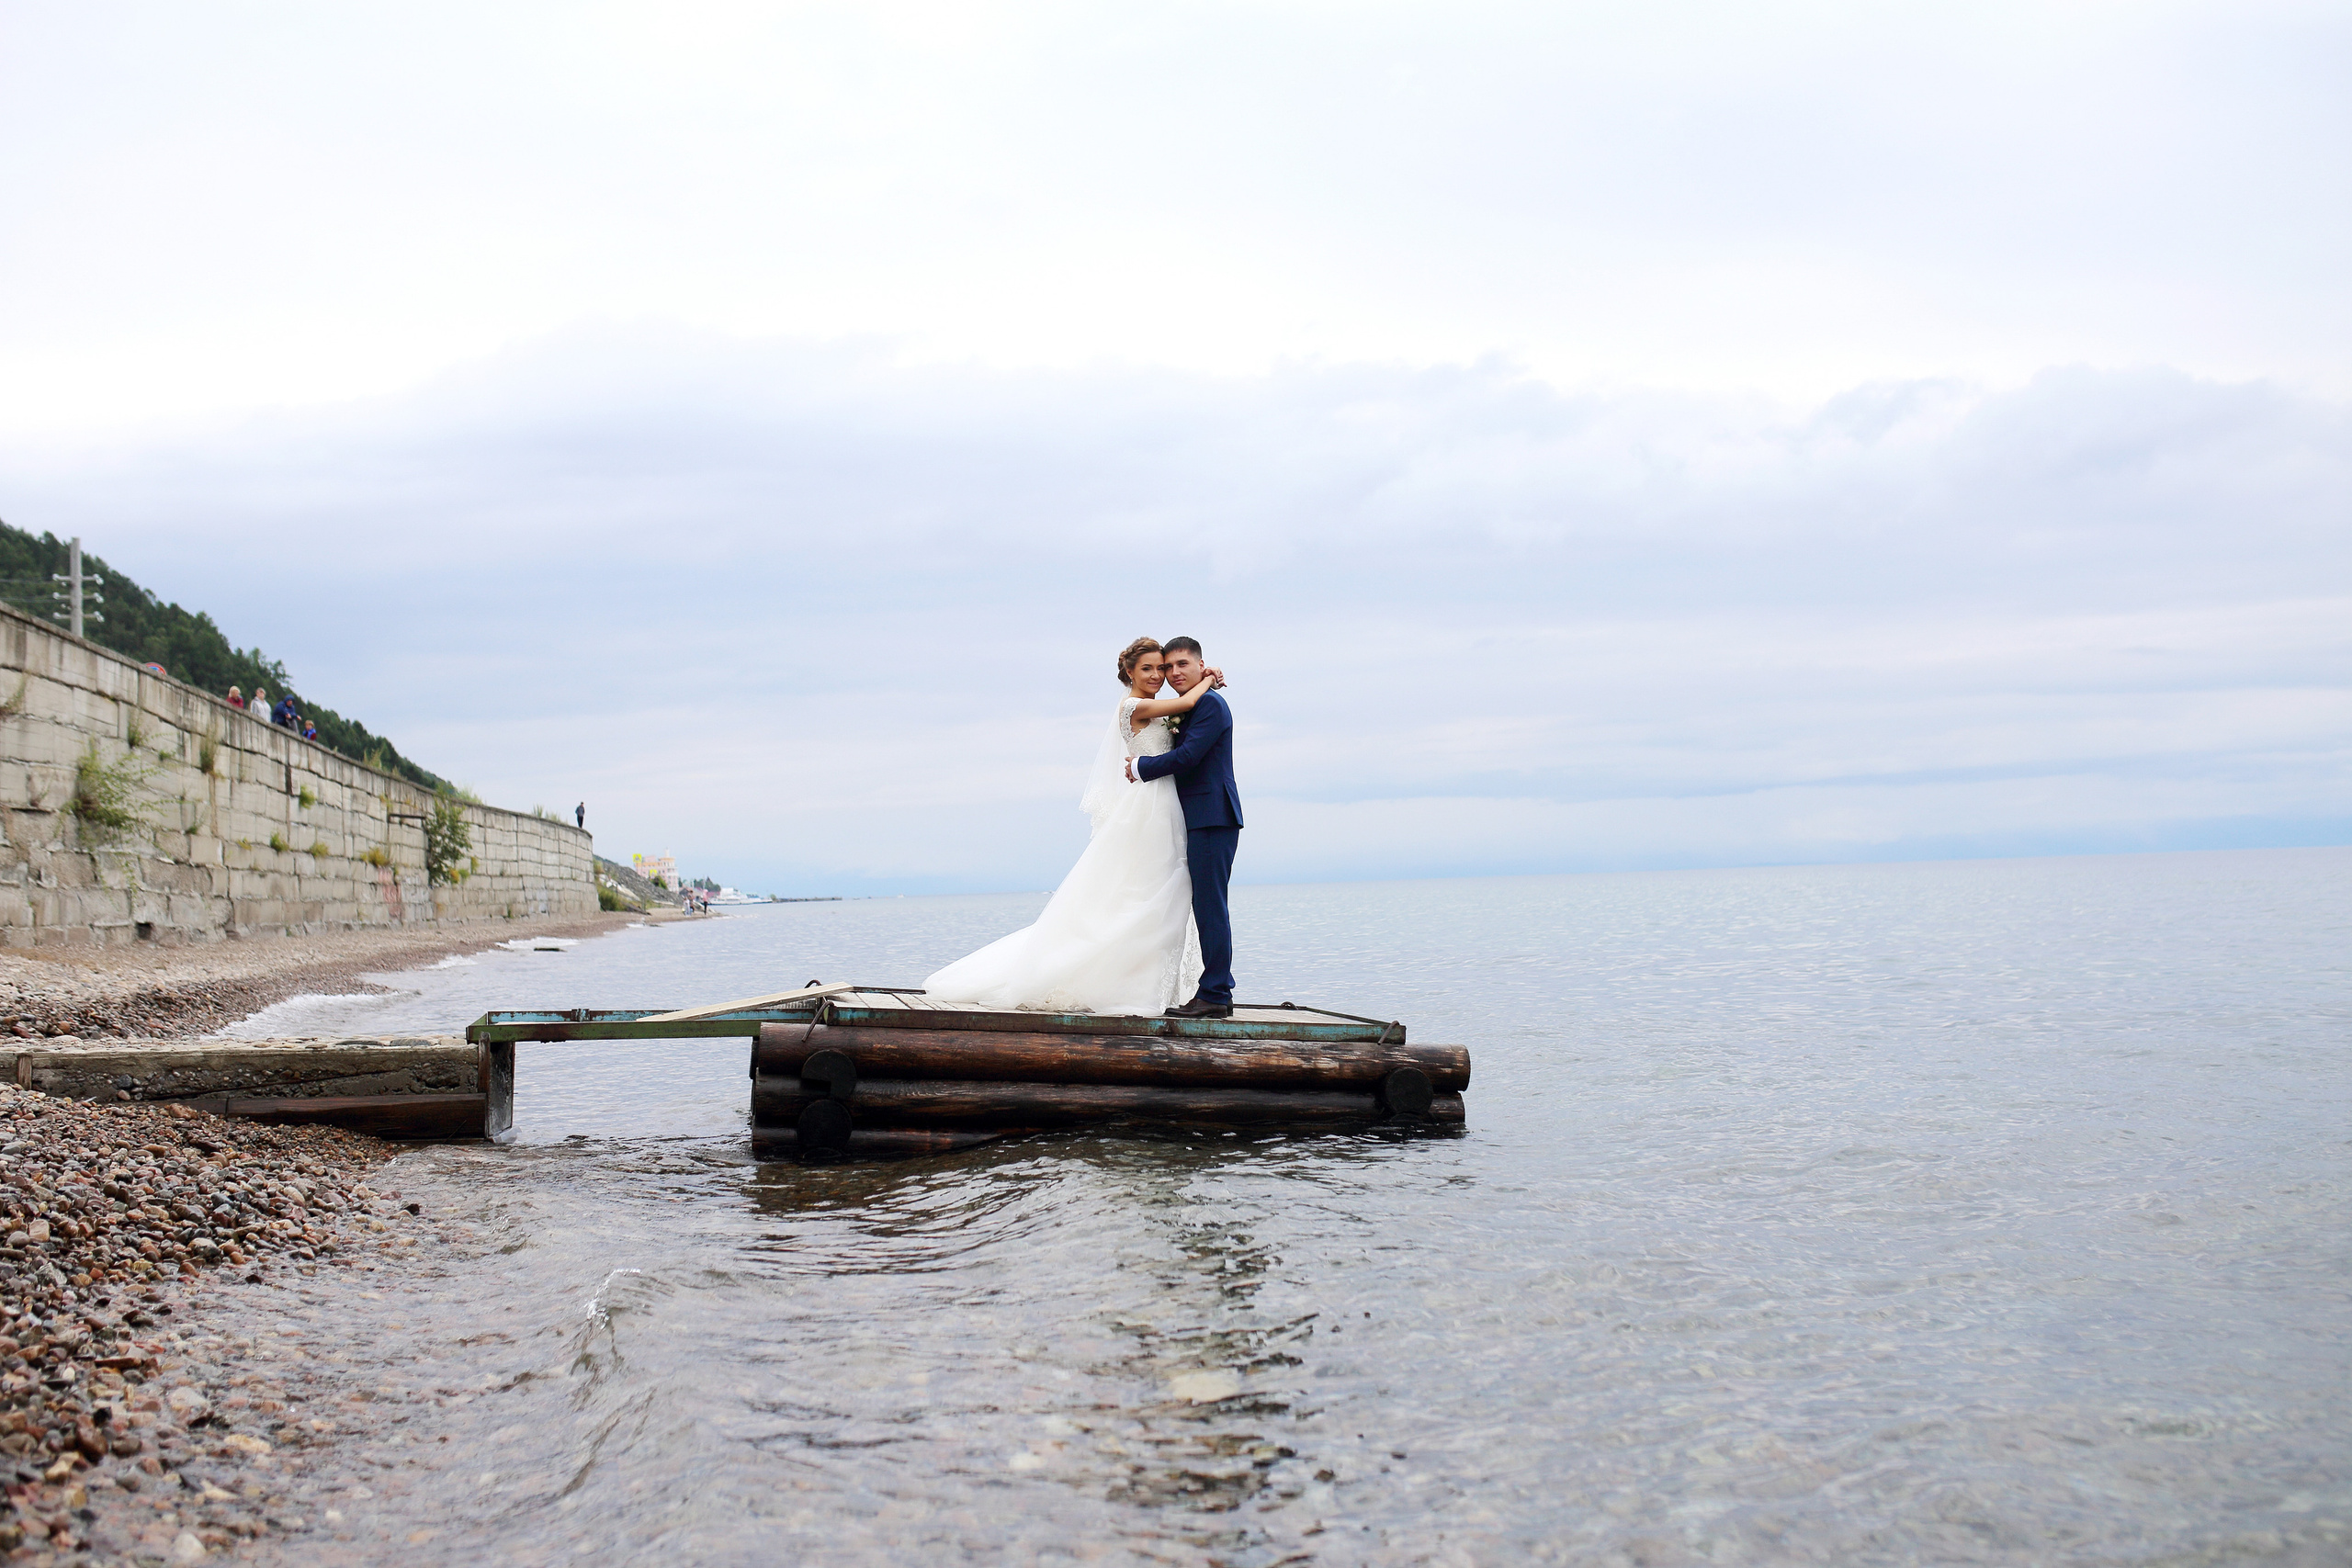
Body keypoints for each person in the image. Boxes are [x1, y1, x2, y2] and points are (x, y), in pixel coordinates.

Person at [923, 637, 1227, 1015]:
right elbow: (1184, 711)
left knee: (1163, 893)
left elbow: (1185, 733)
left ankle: (1168, 986)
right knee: (1142, 890)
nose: (1160, 674)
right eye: (1150, 668)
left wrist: (1202, 681)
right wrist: (1208, 677)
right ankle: (1150, 985)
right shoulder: (1135, 705)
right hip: (1149, 807)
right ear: (1129, 671)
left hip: (1173, 807)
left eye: (1163, 667)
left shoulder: (1184, 707)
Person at [1127, 637, 1243, 1018]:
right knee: (1204, 904)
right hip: (1195, 816)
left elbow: (1189, 756)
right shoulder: (1192, 702)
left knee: (1211, 906)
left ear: (1200, 664)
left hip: (1212, 815)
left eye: (1182, 665)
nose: (1174, 673)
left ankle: (1215, 994)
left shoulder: (1209, 705)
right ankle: (1213, 992)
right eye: (1168, 667)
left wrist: (1140, 768)